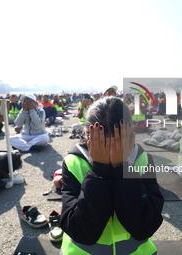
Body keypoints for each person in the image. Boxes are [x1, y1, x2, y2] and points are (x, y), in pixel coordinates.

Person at [60, 96, 164, 254]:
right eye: (99, 141)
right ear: (87, 135)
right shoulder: (72, 163)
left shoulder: (143, 160)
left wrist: (122, 168)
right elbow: (80, 231)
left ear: (131, 133)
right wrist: (99, 170)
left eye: (117, 141)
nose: (109, 151)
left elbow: (145, 227)